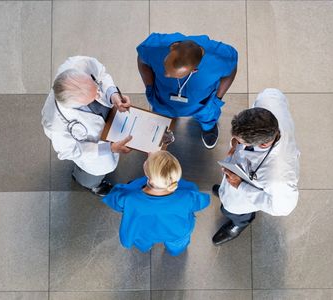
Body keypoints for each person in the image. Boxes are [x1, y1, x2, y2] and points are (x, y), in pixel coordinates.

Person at [212, 88, 301, 245]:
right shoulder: (269, 100)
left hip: (245, 195)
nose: (236, 141)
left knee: (232, 209)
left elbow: (282, 208)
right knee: (227, 192)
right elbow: (275, 93)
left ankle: (239, 223)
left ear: (264, 143)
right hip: (239, 173)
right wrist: (235, 143)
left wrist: (241, 186)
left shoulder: (279, 178)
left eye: (242, 141)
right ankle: (225, 192)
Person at [42, 56, 132, 196]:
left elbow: (101, 75)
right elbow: (70, 151)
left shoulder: (78, 64)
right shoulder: (55, 124)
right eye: (92, 97)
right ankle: (90, 184)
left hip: (108, 122)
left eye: (96, 88)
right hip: (94, 153)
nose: (98, 95)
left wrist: (113, 95)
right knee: (93, 175)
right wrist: (109, 148)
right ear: (76, 105)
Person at [136, 32, 238, 149]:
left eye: (175, 75)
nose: (166, 74)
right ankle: (163, 125)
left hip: (202, 105)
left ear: (194, 70)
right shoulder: (153, 47)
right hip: (163, 100)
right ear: (172, 47)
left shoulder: (221, 57)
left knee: (208, 117)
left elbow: (231, 70)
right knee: (161, 116)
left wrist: (218, 98)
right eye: (165, 65)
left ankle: (208, 127)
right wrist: (149, 86)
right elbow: (142, 59)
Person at [102, 151, 210, 256]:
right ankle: (174, 251)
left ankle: (146, 247)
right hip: (176, 231)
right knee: (177, 244)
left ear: (147, 174)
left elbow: (113, 199)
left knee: (142, 241)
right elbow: (204, 201)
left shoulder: (129, 197)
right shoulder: (188, 195)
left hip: (143, 230)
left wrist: (152, 160)